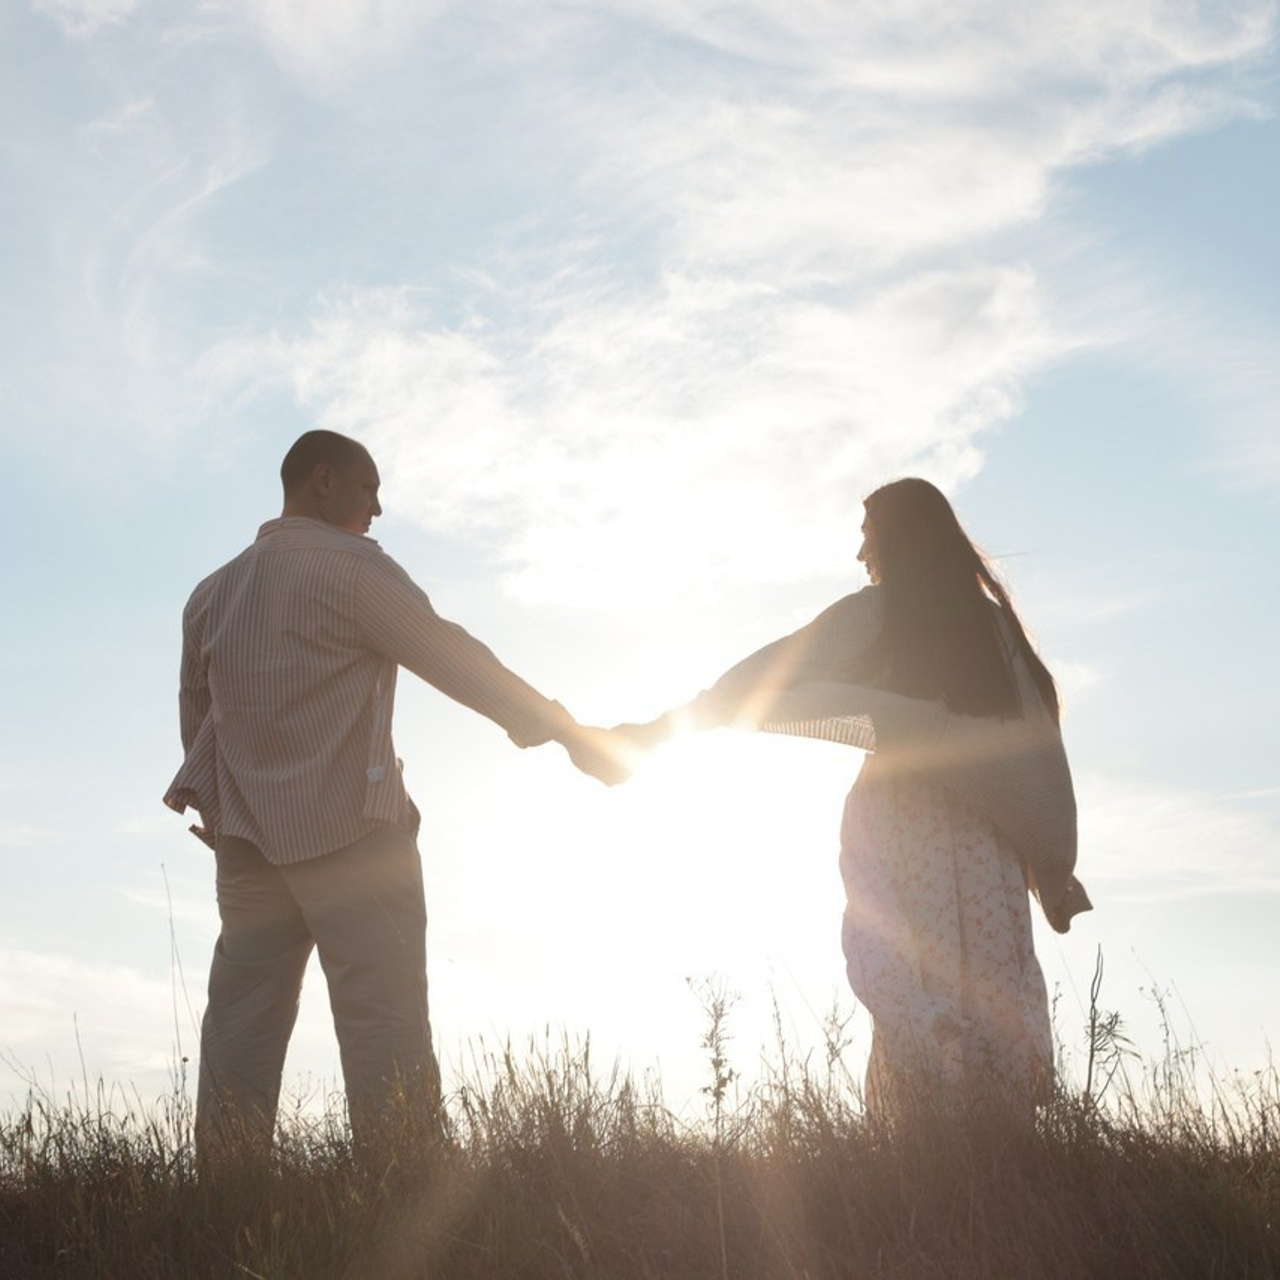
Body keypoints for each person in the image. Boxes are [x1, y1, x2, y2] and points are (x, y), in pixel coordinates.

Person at [164, 429, 625, 1159]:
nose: (377, 508)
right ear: (323, 480)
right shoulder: (353, 571)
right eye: (368, 488)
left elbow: (198, 718)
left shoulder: (210, 594)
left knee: (238, 1029)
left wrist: (223, 818)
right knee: (384, 1023)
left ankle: (224, 1191)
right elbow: (453, 656)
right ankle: (398, 1183)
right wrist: (567, 732)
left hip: (249, 848)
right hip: (354, 836)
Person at [616, 478, 1089, 1120]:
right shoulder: (995, 628)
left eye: (869, 536)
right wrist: (1052, 869)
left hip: (901, 820)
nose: (861, 553)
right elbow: (1037, 754)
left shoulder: (877, 612)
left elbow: (767, 676)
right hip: (988, 849)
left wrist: (659, 729)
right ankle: (1000, 1148)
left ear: (900, 540)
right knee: (993, 996)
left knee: (908, 979)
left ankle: (924, 1140)